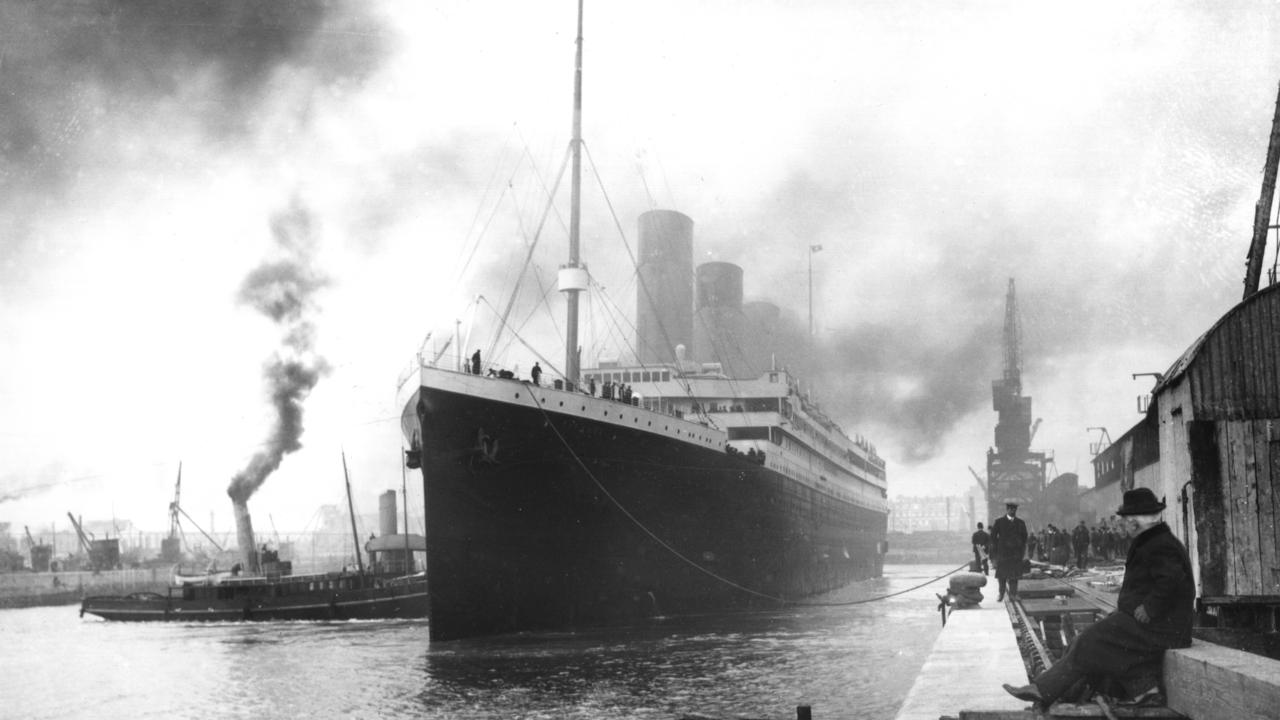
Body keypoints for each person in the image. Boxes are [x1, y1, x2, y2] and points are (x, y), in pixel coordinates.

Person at [1003, 488, 1194, 709]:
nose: (1121, 525)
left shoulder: (1158, 544)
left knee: (1090, 640)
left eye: (1124, 521)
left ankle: (1044, 690)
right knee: (1097, 641)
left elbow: (1172, 580)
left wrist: (1149, 608)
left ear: (1135, 522)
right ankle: (1145, 692)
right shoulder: (1153, 541)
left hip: (1163, 627)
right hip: (1159, 624)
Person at [988, 500, 1028, 601]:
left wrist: (1020, 548)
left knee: (1014, 576)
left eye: (1014, 509)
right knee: (1002, 576)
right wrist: (998, 548)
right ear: (1007, 510)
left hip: (1015, 554)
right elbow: (993, 537)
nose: (1012, 511)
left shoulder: (1020, 523)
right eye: (1010, 509)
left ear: (1016, 510)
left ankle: (1013, 594)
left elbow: (1024, 537)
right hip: (1003, 554)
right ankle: (1001, 594)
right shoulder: (999, 522)